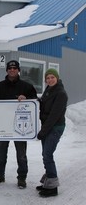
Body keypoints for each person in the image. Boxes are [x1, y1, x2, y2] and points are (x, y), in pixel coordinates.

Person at [0, 60, 37, 189]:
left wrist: (27, 99)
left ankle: (21, 178)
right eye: (10, 68)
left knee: (21, 154)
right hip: (3, 125)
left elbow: (35, 103)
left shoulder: (27, 87)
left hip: (20, 126)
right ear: (6, 70)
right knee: (0, 152)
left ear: (18, 70)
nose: (12, 70)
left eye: (15, 68)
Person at [36, 69, 68, 197]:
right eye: (47, 78)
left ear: (57, 78)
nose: (49, 80)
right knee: (45, 154)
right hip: (48, 127)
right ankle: (48, 181)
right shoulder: (49, 90)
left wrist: (42, 132)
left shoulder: (61, 93)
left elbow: (54, 116)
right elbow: (44, 104)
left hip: (55, 128)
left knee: (47, 154)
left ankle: (52, 187)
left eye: (52, 77)